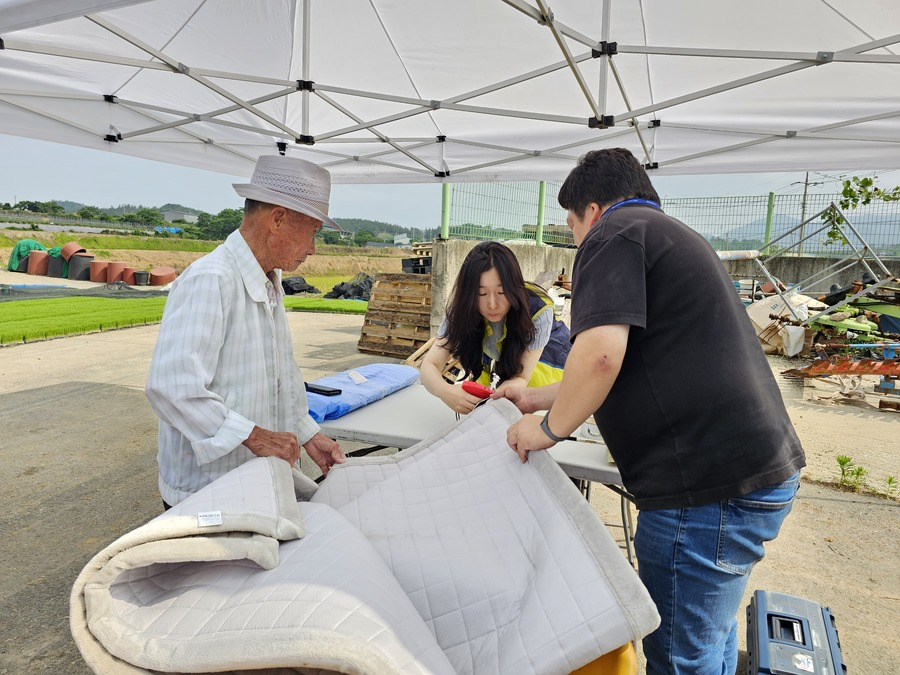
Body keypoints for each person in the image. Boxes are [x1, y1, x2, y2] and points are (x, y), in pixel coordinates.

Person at [496, 148, 806, 674]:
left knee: (680, 657)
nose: (575, 238)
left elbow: (598, 355)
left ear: (590, 211)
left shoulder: (613, 235)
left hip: (707, 490)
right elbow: (629, 364)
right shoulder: (666, 235)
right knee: (709, 639)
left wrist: (545, 430)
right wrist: (534, 397)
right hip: (746, 474)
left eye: (571, 225)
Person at [145, 155, 346, 509]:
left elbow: (280, 375)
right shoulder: (211, 280)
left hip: (254, 484)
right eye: (313, 231)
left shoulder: (270, 281)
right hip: (206, 492)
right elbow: (173, 387)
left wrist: (308, 434)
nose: (314, 248)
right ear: (278, 219)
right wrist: (256, 437)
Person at [420, 241, 570, 414]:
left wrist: (495, 400)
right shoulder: (461, 309)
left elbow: (522, 376)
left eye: (502, 292)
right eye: (481, 293)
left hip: (547, 381)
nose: (492, 304)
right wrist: (446, 392)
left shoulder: (537, 310)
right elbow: (429, 364)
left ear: (514, 288)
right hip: (504, 381)